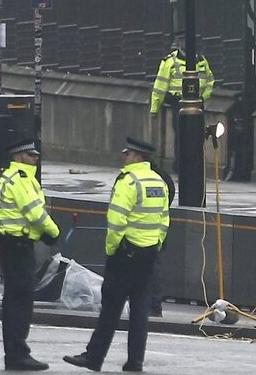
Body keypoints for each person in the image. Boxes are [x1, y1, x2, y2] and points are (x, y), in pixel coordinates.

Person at [64, 138, 170, 372]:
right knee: (140, 309)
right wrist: (156, 244)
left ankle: (94, 357)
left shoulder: (128, 181)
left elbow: (117, 220)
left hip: (126, 252)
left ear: (136, 156)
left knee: (111, 308)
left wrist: (112, 249)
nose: (125, 157)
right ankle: (135, 361)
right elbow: (164, 218)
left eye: (128, 154)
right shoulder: (158, 181)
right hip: (149, 252)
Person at [0, 140, 60, 371]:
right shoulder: (21, 179)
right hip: (18, 245)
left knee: (13, 299)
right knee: (21, 300)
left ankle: (15, 351)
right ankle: (18, 353)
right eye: (32, 155)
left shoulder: (12, 176)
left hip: (11, 242)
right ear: (20, 156)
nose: (36, 159)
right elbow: (34, 212)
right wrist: (52, 232)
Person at [149, 31, 215, 172]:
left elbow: (210, 81)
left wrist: (204, 96)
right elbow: (160, 86)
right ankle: (181, 165)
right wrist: (154, 108)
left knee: (198, 135)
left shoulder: (201, 60)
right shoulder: (169, 61)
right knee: (181, 135)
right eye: (183, 41)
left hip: (198, 103)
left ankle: (195, 164)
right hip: (178, 103)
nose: (186, 43)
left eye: (188, 40)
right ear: (179, 42)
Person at [146, 157, 175, 318]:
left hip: (134, 237)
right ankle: (153, 307)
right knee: (153, 272)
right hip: (157, 235)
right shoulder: (164, 178)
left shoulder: (130, 178)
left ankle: (149, 307)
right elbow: (168, 201)